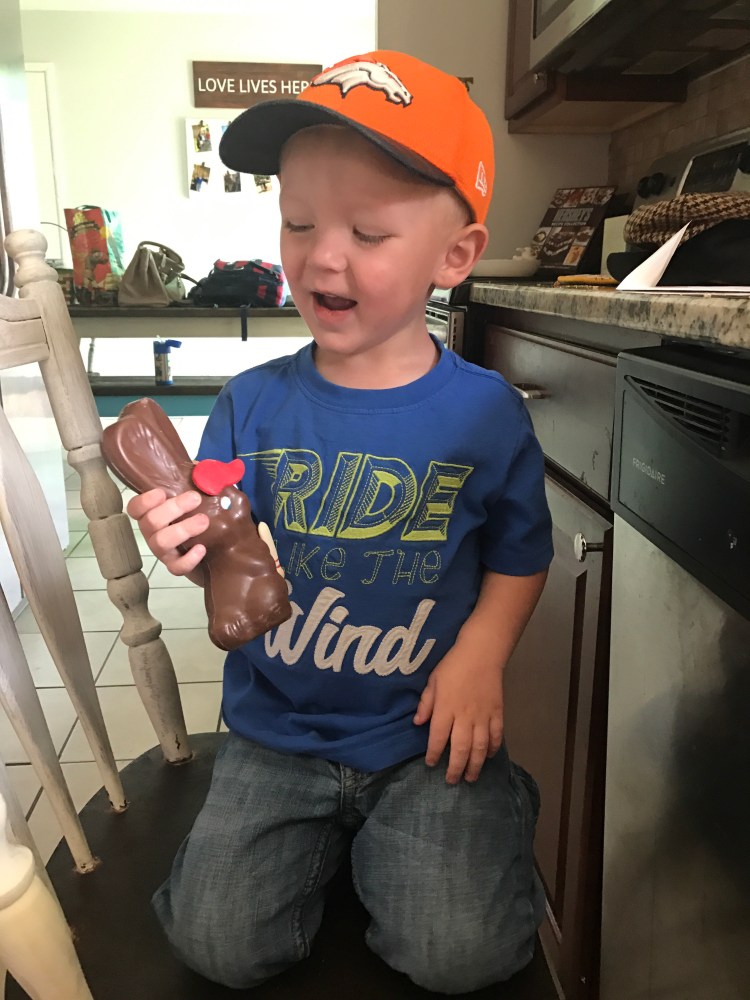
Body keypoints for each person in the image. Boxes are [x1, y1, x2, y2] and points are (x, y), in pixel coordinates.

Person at [128, 50, 554, 994]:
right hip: (278, 727)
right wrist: (184, 543)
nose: (323, 256)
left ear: (455, 256)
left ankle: (479, 817)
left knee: (462, 958)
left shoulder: (486, 414)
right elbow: (225, 546)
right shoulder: (248, 404)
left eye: (367, 231)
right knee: (217, 946)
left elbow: (523, 554)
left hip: (425, 733)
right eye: (298, 222)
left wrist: (482, 655)